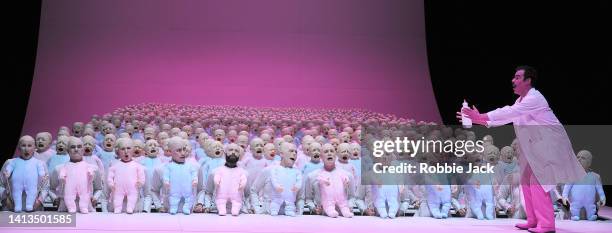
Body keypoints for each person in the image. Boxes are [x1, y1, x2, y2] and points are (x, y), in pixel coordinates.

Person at [458, 65, 585, 233]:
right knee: (526, 181)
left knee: (538, 183)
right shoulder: (521, 100)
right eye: (514, 77)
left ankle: (546, 224)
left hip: (549, 146)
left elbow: (509, 112)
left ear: (528, 81)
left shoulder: (535, 98)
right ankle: (533, 220)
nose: (513, 80)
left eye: (517, 77)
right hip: (536, 148)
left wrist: (479, 117)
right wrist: (478, 119)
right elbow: (506, 116)